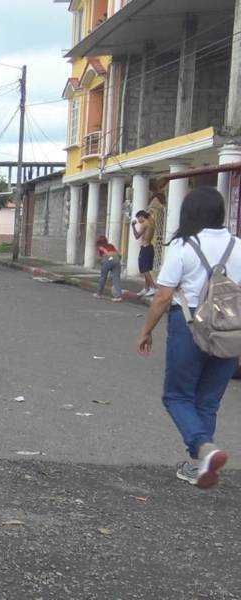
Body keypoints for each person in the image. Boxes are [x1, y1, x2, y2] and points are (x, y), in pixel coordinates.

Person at [137, 186, 235, 489]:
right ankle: (198, 465)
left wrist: (146, 331)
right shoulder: (239, 245)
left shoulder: (183, 246)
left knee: (177, 396)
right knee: (207, 401)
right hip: (231, 329)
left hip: (190, 322)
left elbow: (163, 297)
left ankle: (203, 448)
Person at [132, 210, 157, 296]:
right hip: (150, 247)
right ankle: (147, 288)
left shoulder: (144, 224)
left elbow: (137, 236)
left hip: (145, 248)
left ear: (141, 216)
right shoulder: (152, 221)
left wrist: (133, 226)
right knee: (147, 269)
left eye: (138, 218)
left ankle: (153, 287)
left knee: (144, 269)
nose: (138, 220)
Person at [93, 235, 124, 302]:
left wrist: (101, 262)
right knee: (116, 278)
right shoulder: (111, 245)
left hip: (107, 259)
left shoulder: (99, 247)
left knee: (103, 277)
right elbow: (119, 255)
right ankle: (119, 296)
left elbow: (100, 257)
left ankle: (99, 294)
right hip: (116, 258)